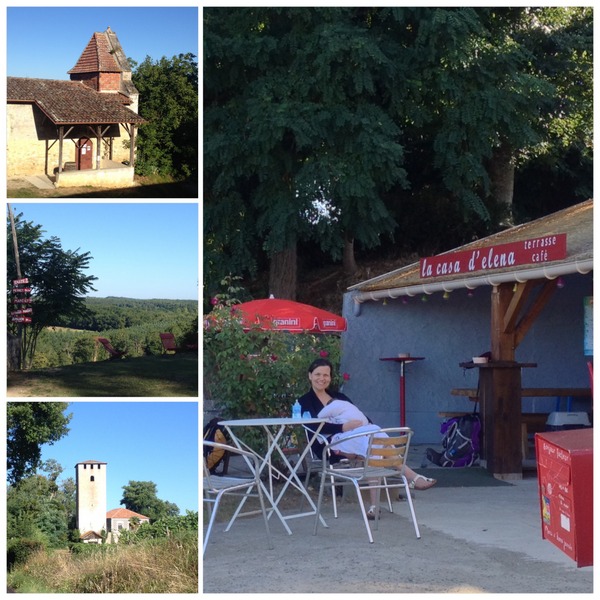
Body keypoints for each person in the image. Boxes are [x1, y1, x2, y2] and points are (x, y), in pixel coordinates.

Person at [298, 358, 436, 518]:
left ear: (330, 377)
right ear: (310, 376)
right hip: (328, 446)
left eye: (326, 375)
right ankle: (410, 476)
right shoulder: (304, 402)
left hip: (354, 440)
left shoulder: (339, 396)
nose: (322, 378)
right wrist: (342, 427)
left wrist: (364, 425)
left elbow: (358, 415)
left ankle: (374, 508)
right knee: (374, 441)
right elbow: (312, 427)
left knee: (373, 441)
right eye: (318, 374)